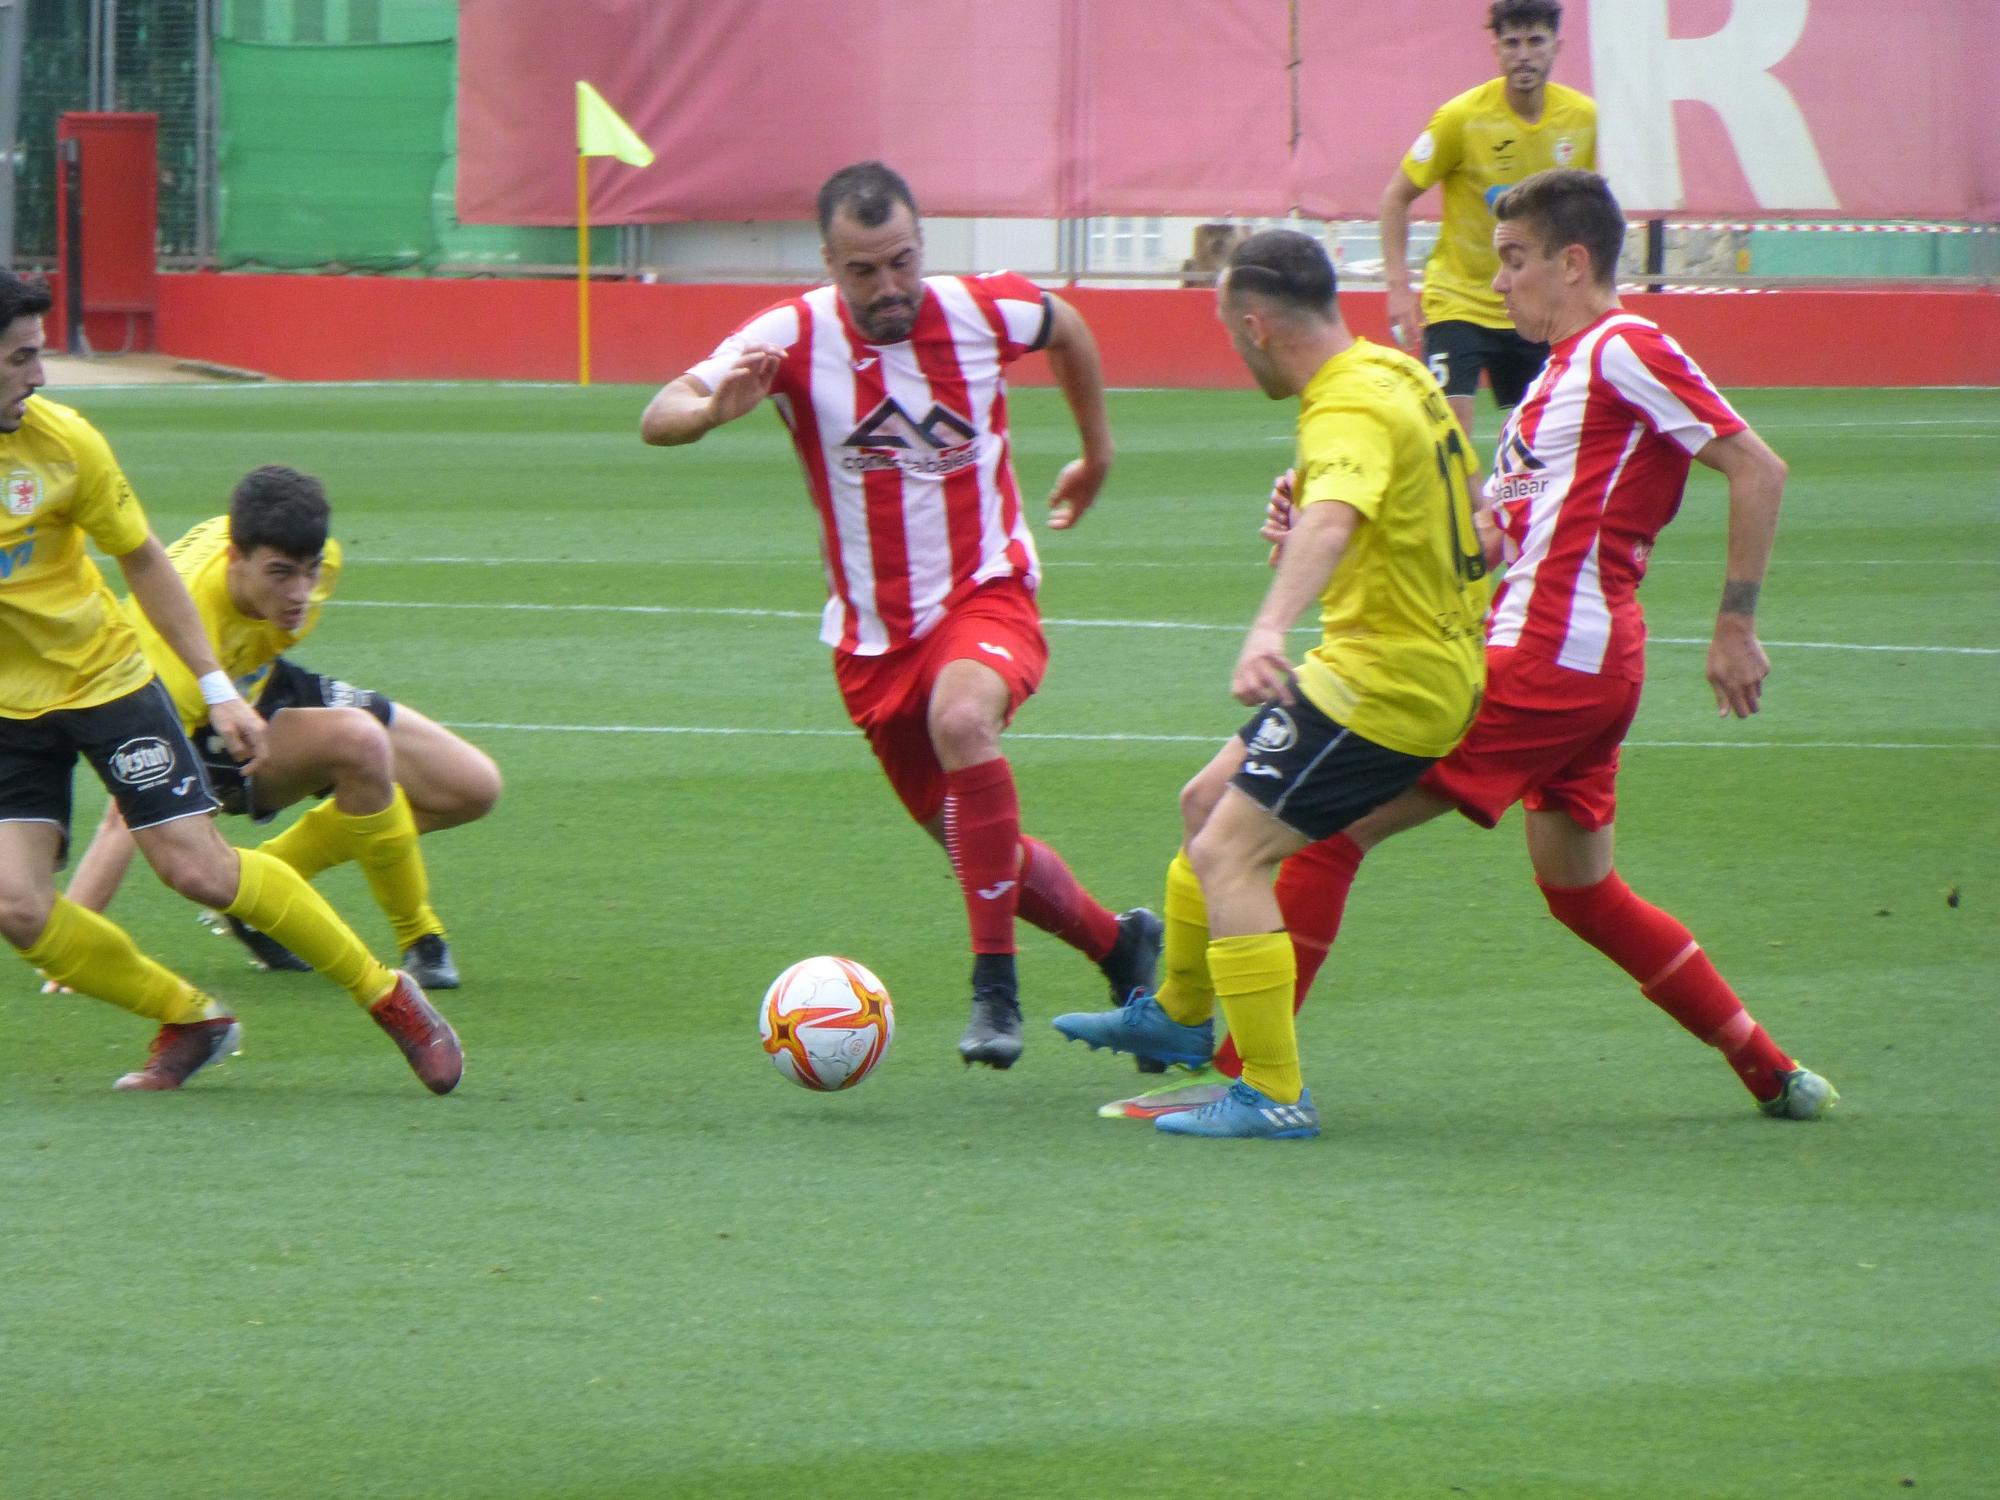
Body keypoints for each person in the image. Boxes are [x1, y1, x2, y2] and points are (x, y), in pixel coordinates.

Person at [1105, 170, 1835, 1126]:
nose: (1499, 285)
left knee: (1321, 826)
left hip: (1543, 659)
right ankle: (1771, 1070)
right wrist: (1323, 530)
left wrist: (1736, 622)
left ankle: (1250, 1079)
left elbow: (1756, 465)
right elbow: (1484, 543)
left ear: (1575, 264)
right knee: (1582, 890)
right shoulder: (1548, 393)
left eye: (1517, 260)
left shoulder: (1625, 346)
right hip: (1584, 669)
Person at [640, 161, 1159, 1068]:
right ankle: (1121, 948)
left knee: (964, 721)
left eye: (902, 262)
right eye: (864, 271)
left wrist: (1097, 453)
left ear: (923, 247)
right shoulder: (793, 334)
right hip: (872, 645)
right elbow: (659, 413)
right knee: (975, 848)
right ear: (829, 264)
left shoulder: (980, 310)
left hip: (985, 595)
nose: (888, 289)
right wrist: (709, 415)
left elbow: (1066, 325)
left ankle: (995, 992)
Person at [1051, 228, 1491, 1139]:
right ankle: (1176, 1015)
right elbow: (1470, 518)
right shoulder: (1393, 372)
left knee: (1229, 855)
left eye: (1228, 334)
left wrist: (1267, 625)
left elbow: (1331, 524)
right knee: (1205, 801)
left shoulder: (1347, 408)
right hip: (1399, 659)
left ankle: (1276, 1093)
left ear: (1256, 325)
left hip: (1389, 681)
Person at [0, 272, 461, 1093]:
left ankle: (390, 995)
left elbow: (141, 556)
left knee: (200, 870)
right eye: (21, 359)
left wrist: (215, 685)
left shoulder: (64, 444)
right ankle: (192, 1019)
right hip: (9, 710)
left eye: (37, 356)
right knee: (18, 906)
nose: (39, 375)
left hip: (104, 680)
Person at [53, 464, 502, 991]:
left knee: (471, 787)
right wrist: (68, 948)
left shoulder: (313, 561)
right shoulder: (172, 645)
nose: (300, 593)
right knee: (360, 742)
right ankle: (422, 938)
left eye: (309, 571)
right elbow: (123, 816)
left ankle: (260, 888)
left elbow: (282, 605)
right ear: (234, 559)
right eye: (282, 573)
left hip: (258, 685)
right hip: (195, 727)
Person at [1381, 0, 1596, 445]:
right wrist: (1399, 289)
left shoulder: (1584, 121)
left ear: (1557, 46)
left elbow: (1589, 215)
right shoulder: (1460, 118)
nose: (1523, 54)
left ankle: (1507, 513)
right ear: (1496, 49)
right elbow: (1395, 198)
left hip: (1534, 307)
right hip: (1457, 302)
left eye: (1535, 41)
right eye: (1512, 42)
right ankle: (1468, 514)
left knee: (1537, 441)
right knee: (1448, 438)